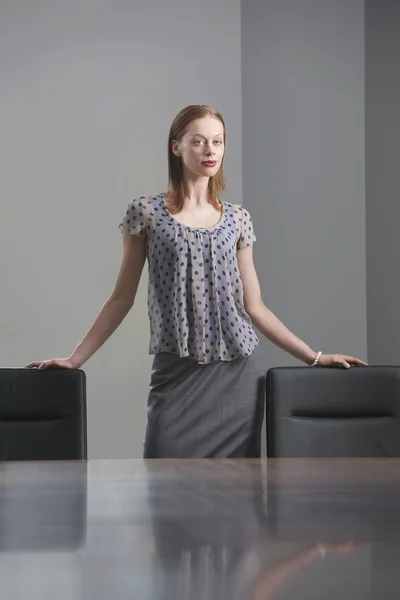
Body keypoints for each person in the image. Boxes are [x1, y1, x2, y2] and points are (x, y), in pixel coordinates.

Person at [26, 104, 368, 458]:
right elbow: (121, 299)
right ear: (177, 146)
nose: (210, 151)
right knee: (165, 485)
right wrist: (75, 358)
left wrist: (314, 357)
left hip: (238, 373)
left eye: (218, 142)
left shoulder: (237, 218)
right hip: (177, 370)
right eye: (199, 141)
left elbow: (255, 308)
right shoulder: (145, 213)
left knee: (234, 491)